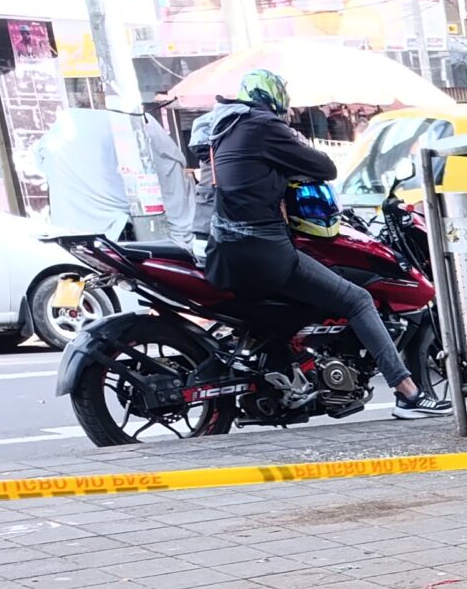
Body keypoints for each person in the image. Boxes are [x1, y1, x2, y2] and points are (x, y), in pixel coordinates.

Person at [204, 68, 446, 420]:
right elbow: (324, 167)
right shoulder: (263, 126)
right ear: (273, 97)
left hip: (226, 250)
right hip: (263, 249)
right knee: (357, 299)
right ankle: (407, 393)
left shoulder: (225, 127)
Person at [30, 108, 137, 236]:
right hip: (118, 222)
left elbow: (39, 161)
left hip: (70, 228)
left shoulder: (59, 136)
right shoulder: (121, 124)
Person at [139, 103, 202, 247]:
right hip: (168, 185)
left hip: (168, 184)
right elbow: (174, 155)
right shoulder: (150, 136)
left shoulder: (146, 139)